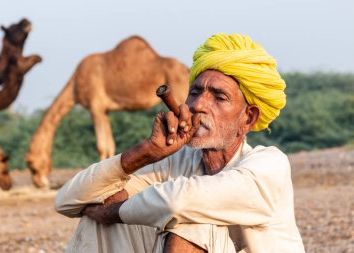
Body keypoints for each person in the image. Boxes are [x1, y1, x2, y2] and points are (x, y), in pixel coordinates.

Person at [54, 33, 305, 253]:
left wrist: (114, 212)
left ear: (247, 118)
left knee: (191, 219)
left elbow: (178, 201)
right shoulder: (176, 163)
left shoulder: (269, 164)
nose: (197, 106)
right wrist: (146, 153)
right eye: (195, 93)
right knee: (96, 219)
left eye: (219, 97)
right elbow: (67, 201)